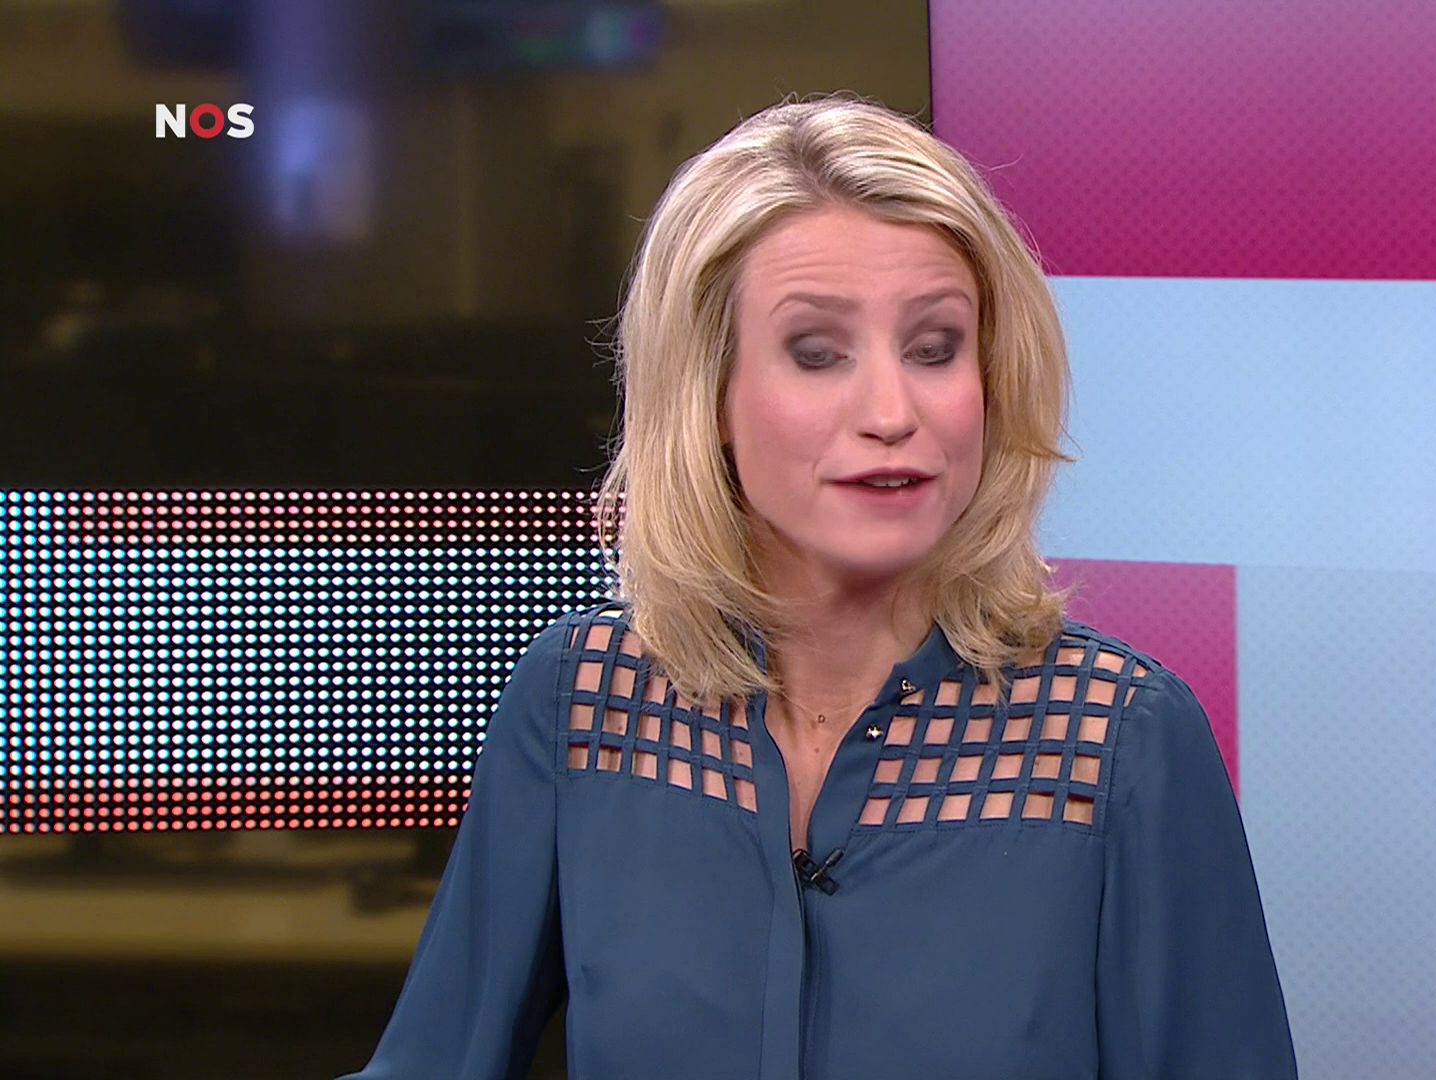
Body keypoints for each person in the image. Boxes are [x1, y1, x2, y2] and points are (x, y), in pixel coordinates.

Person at [338, 92, 1296, 1080]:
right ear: (710, 394)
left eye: (935, 348)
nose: (891, 411)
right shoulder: (586, 702)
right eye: (816, 353)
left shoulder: (1120, 740)